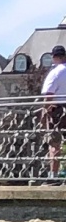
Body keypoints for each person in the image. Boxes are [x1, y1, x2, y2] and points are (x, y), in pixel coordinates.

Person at [40, 45, 66, 178]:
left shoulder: (55, 72)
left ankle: (53, 176)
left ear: (54, 57)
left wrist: (44, 113)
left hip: (58, 110)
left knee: (55, 143)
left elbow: (49, 95)